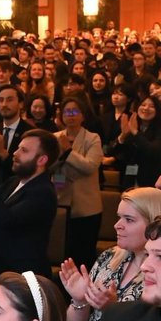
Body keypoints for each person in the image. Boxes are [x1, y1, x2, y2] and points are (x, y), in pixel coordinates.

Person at [61, 187, 161, 321]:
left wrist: (113, 310)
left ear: (154, 225)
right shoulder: (109, 258)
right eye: (119, 217)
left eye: (129, 220)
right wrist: (79, 301)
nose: (117, 225)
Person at [0, 129, 58, 277]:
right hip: (0, 269)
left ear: (42, 160)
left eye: (24, 150)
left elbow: (5, 219)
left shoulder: (43, 192)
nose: (15, 153)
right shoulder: (15, 181)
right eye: (18, 148)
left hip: (22, 276)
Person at [53, 96, 103, 267]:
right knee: (62, 252)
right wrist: (59, 185)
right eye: (67, 112)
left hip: (87, 206)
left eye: (75, 112)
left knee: (83, 254)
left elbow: (89, 166)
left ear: (83, 115)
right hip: (61, 201)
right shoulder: (55, 137)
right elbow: (52, 168)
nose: (71, 115)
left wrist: (67, 152)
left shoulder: (92, 138)